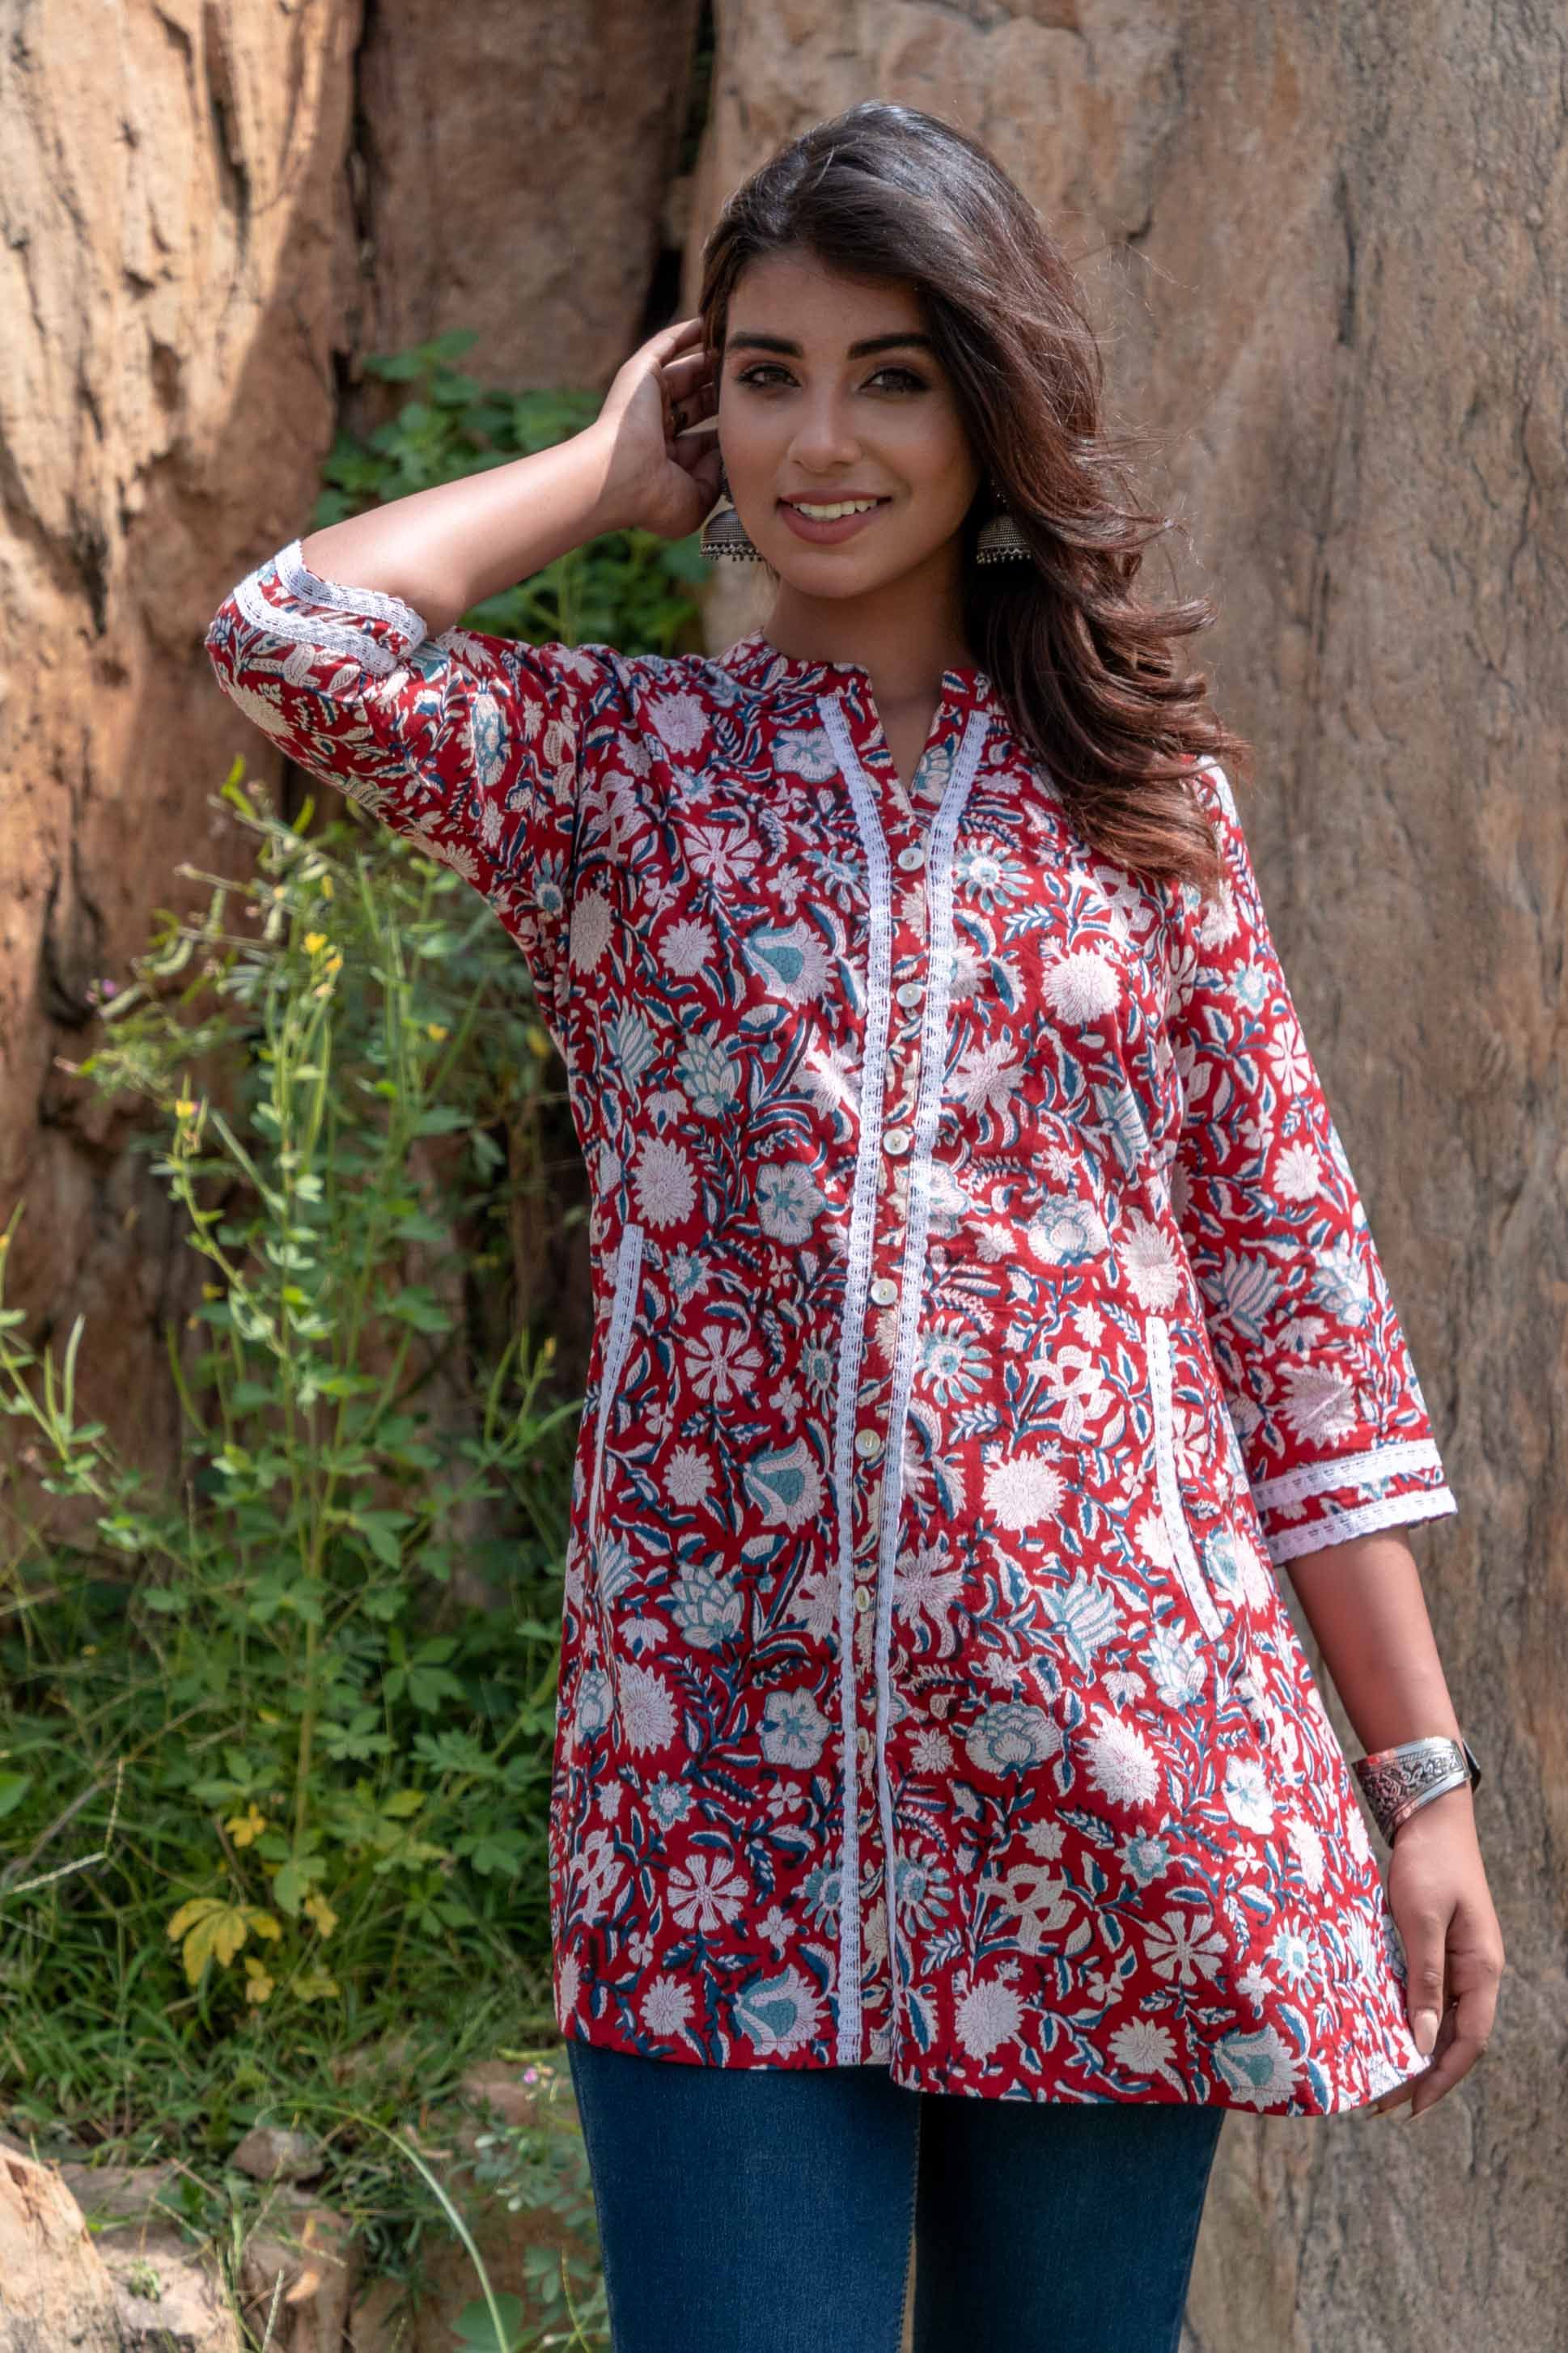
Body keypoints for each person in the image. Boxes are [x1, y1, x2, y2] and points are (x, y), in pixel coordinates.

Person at [205, 98, 1502, 2353]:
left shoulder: (1144, 808)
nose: (824, 438)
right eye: (770, 374)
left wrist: (1419, 1782)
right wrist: (610, 477)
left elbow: (1291, 1303)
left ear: (988, 407)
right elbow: (294, 633)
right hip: (708, 1793)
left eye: (890, 374)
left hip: (1111, 1768)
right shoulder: (620, 772)